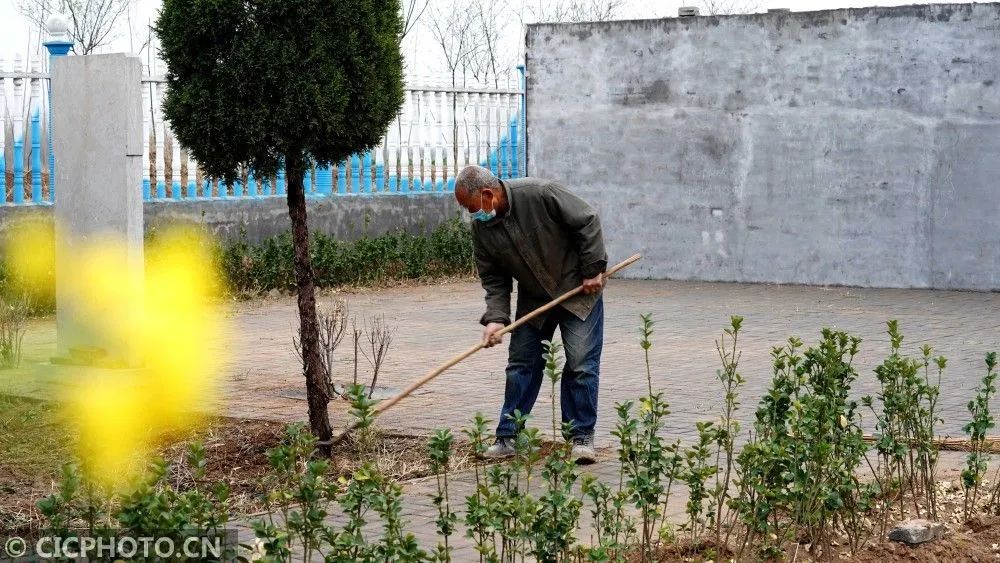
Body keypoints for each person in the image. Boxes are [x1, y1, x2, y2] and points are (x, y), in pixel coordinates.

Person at [454, 165, 607, 463]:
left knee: (580, 364)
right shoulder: (483, 228)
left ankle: (581, 437)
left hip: (578, 291)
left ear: (488, 195)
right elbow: (494, 278)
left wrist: (593, 269)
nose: (472, 215)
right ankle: (508, 435)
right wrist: (496, 318)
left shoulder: (541, 193)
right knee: (521, 364)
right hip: (535, 300)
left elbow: (587, 220)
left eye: (471, 208)